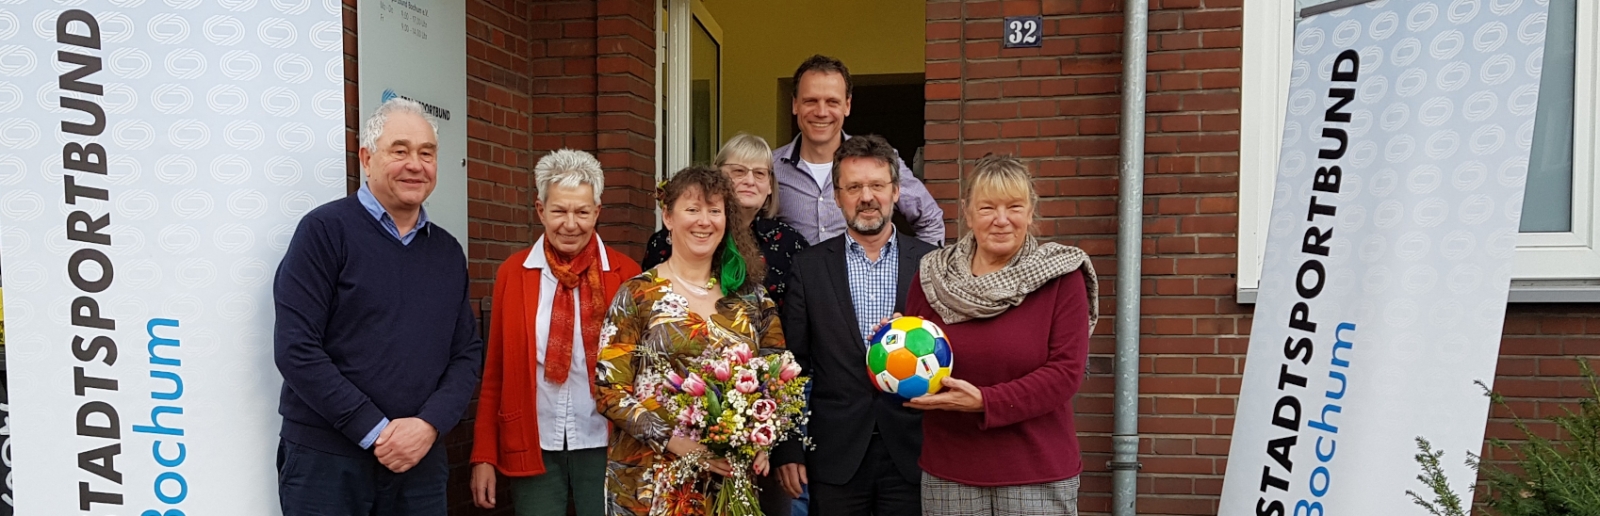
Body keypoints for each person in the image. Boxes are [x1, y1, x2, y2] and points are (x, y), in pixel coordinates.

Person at [273, 98, 483, 514]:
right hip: (327, 463)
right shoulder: (324, 232)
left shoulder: (446, 252)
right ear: (367, 159)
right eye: (400, 150)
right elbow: (297, 348)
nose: (415, 164)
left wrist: (428, 426)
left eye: (427, 153)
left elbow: (466, 354)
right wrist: (374, 430)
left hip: (420, 464)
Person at [903, 155, 1097, 516]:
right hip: (950, 471)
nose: (1002, 219)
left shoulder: (1061, 277)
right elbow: (919, 355)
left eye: (1014, 207)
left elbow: (1065, 373)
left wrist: (986, 402)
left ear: (1031, 211)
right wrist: (895, 339)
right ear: (968, 211)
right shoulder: (933, 275)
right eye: (988, 207)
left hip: (1035, 472)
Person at [595, 166, 785, 516]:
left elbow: (777, 374)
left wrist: (763, 436)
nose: (704, 221)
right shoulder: (637, 295)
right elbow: (609, 389)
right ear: (668, 216)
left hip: (729, 483)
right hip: (651, 481)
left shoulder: (752, 298)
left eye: (715, 211)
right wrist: (675, 441)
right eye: (693, 209)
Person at [470, 150, 643, 516]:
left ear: (597, 211)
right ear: (540, 210)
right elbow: (495, 373)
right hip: (535, 443)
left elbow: (643, 371)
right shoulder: (513, 274)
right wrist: (483, 455)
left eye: (582, 212)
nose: (570, 224)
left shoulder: (627, 275)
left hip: (606, 442)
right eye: (559, 211)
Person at [772, 135, 938, 516]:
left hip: (914, 452)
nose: (867, 197)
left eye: (877, 185)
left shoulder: (930, 263)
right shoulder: (810, 267)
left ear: (896, 192)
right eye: (854, 187)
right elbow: (792, 365)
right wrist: (788, 447)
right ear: (837, 196)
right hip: (834, 457)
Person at [774, 54, 945, 247]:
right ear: (795, 104)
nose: (821, 112)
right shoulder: (770, 169)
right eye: (811, 101)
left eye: (832, 102)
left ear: (847, 105)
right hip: (797, 277)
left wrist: (916, 272)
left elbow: (930, 220)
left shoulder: (881, 161)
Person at [643, 133, 810, 309]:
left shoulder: (790, 244)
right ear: (717, 177)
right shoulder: (674, 239)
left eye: (760, 173)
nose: (750, 181)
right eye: (739, 171)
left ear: (770, 186)